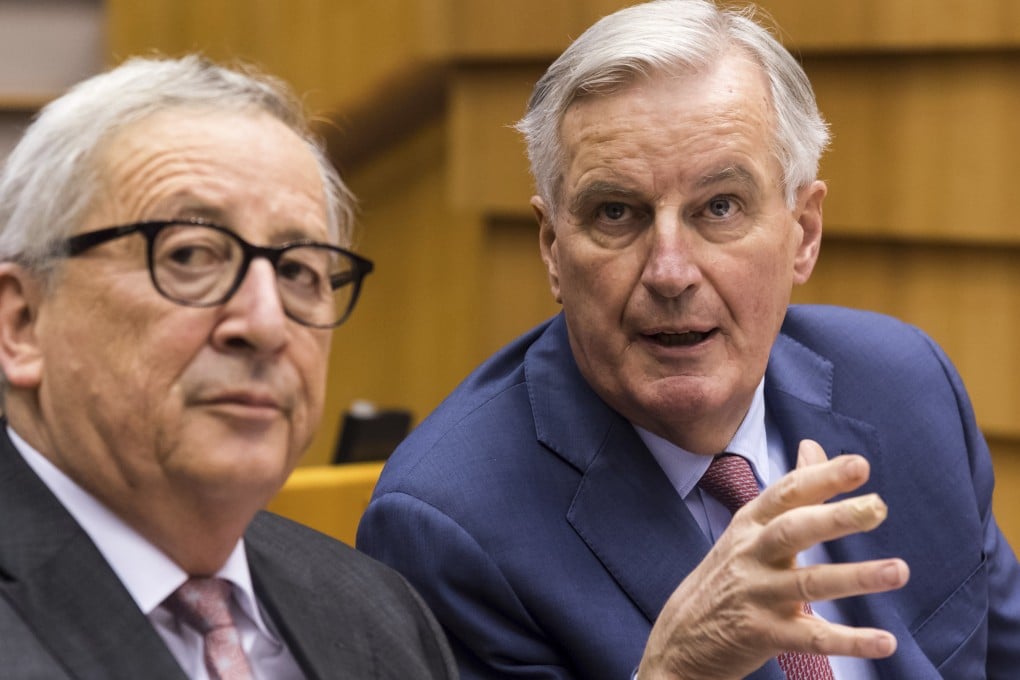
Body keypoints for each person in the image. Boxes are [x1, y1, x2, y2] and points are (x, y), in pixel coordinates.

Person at [356, 1, 1020, 678]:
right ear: (553, 248)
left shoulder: (908, 386)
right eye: (616, 213)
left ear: (805, 232)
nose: (670, 272)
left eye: (720, 207)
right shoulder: (448, 526)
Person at [0, 55, 456, 679]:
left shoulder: (376, 609)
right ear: (22, 323)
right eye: (189, 255)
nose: (266, 324)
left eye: (298, 270)